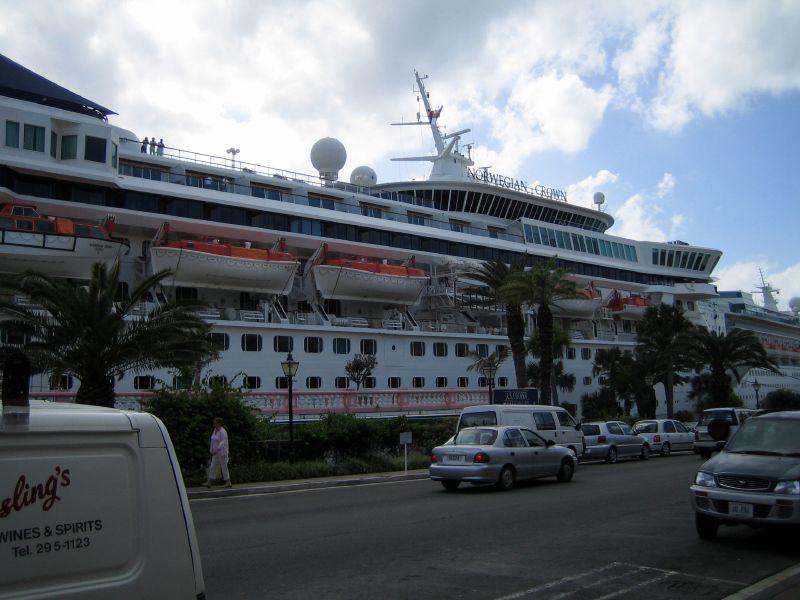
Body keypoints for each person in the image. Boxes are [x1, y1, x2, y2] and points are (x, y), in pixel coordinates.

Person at [205, 418, 231, 488]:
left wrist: (217, 449)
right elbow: (212, 440)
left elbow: (223, 442)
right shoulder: (215, 430)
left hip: (222, 452)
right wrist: (211, 450)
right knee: (213, 466)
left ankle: (228, 482)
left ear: (219, 424)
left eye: (215, 423)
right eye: (214, 423)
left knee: (224, 467)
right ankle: (209, 482)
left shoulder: (223, 431)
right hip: (215, 453)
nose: (214, 424)